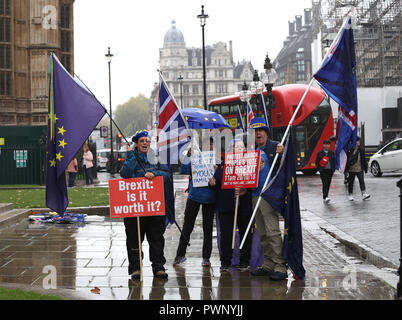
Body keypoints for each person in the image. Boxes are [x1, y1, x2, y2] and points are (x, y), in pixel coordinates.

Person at [120, 129, 171, 279]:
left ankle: (158, 267)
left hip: (154, 206)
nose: (145, 143)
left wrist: (155, 174)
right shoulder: (131, 157)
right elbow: (125, 174)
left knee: (156, 238)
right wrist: (131, 157)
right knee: (134, 239)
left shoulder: (156, 157)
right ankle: (136, 268)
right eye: (142, 141)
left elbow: (167, 174)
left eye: (147, 141)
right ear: (136, 144)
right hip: (135, 208)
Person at [248, 117, 287, 281]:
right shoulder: (251, 151)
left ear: (266, 132)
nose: (258, 134)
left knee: (272, 232)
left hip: (268, 196)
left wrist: (284, 153)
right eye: (255, 131)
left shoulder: (276, 146)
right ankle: (269, 264)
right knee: (262, 233)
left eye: (261, 130)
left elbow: (286, 167)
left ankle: (280, 266)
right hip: (254, 195)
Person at [209, 139, 253, 272]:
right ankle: (225, 261)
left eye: (242, 147)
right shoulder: (223, 166)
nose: (239, 150)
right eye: (236, 147)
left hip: (243, 206)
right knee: (226, 235)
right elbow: (216, 185)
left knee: (246, 233)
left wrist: (246, 190)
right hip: (226, 206)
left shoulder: (249, 164)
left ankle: (244, 261)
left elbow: (254, 184)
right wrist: (212, 184)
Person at [173, 138, 216, 268]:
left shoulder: (217, 159)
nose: (208, 147)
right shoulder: (195, 157)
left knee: (207, 228)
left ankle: (206, 257)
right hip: (194, 196)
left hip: (210, 197)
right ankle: (180, 255)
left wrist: (216, 176)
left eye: (210, 145)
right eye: (205, 145)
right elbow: (184, 170)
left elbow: (221, 177)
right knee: (187, 226)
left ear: (213, 146)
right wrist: (188, 155)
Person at [345, 136, 371, 201]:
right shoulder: (350, 149)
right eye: (357, 141)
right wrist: (346, 170)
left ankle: (364, 193)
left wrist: (365, 168)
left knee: (361, 181)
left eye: (359, 141)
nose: (358, 142)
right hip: (352, 169)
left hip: (359, 168)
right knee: (351, 182)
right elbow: (347, 160)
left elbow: (364, 160)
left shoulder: (361, 149)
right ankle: (350, 194)